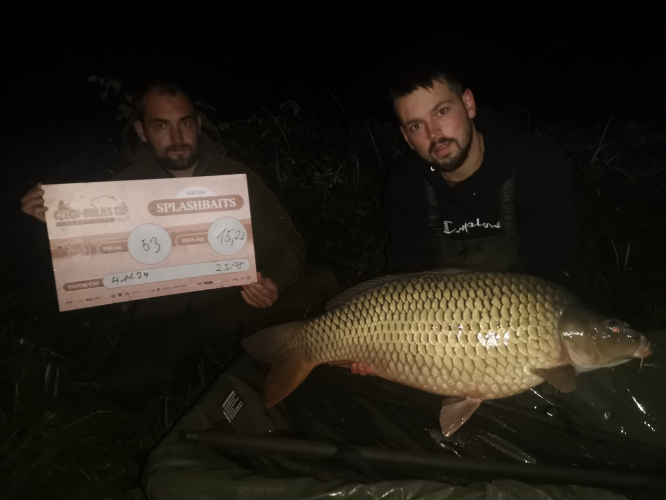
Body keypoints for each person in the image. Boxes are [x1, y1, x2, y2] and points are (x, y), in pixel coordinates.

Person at [20, 82, 339, 408]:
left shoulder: (236, 177)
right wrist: (61, 226)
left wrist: (274, 282)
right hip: (165, 318)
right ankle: (196, 359)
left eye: (184, 123)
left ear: (197, 125)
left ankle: (249, 344)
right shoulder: (120, 190)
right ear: (142, 131)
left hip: (232, 302)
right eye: (161, 126)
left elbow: (289, 243)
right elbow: (96, 271)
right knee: (125, 385)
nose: (176, 137)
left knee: (320, 281)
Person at [381, 63, 578, 286]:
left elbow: (552, 270)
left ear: (468, 104)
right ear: (407, 138)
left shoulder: (536, 166)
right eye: (416, 126)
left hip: (521, 302)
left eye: (441, 112)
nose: (433, 133)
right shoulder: (405, 184)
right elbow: (405, 273)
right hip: (436, 305)